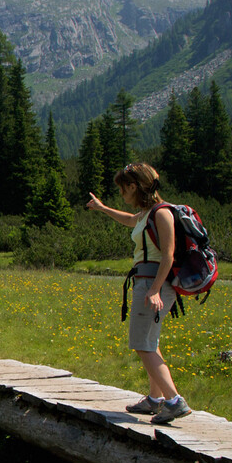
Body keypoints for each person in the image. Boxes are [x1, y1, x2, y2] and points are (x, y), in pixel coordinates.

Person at [86, 162, 192, 425]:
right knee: (149, 342)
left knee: (141, 344)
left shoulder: (162, 213)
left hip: (151, 284)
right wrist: (101, 209)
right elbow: (129, 220)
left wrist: (155, 290)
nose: (123, 195)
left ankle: (174, 400)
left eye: (123, 190)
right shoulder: (147, 213)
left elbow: (167, 255)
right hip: (147, 283)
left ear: (134, 186)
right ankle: (154, 401)